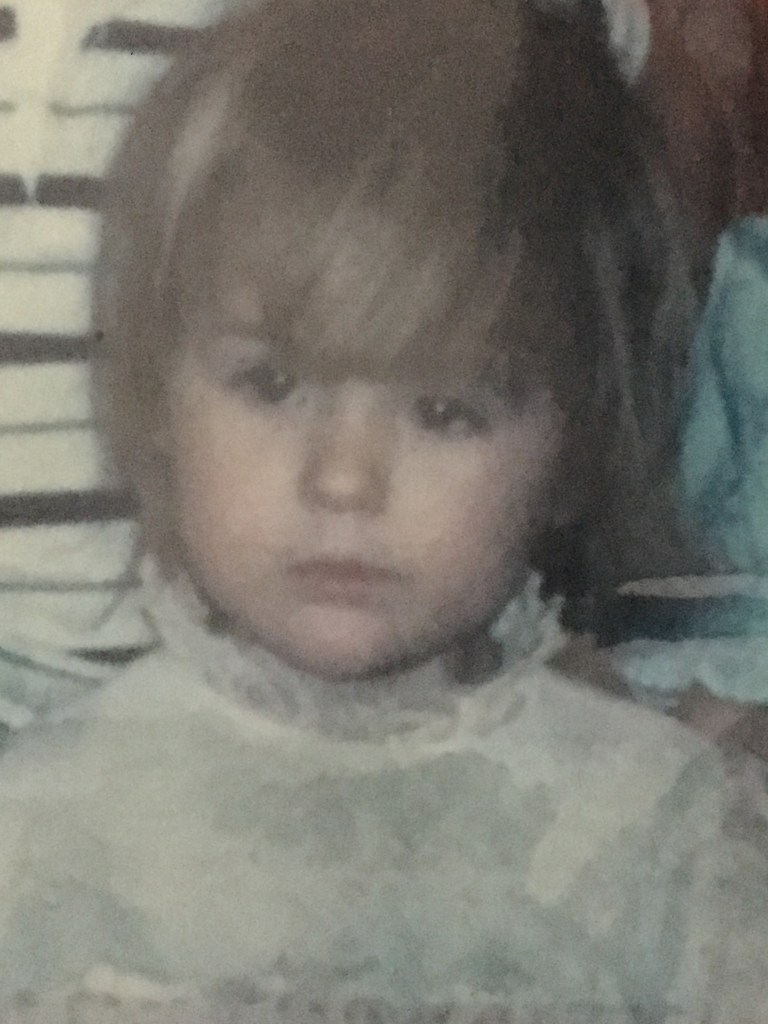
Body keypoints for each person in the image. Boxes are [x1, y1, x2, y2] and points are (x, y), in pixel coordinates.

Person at [0, 0, 765, 1020]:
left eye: (444, 410)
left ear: (574, 444)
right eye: (274, 384)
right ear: (155, 400)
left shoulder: (665, 842)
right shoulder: (39, 830)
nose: (345, 479)